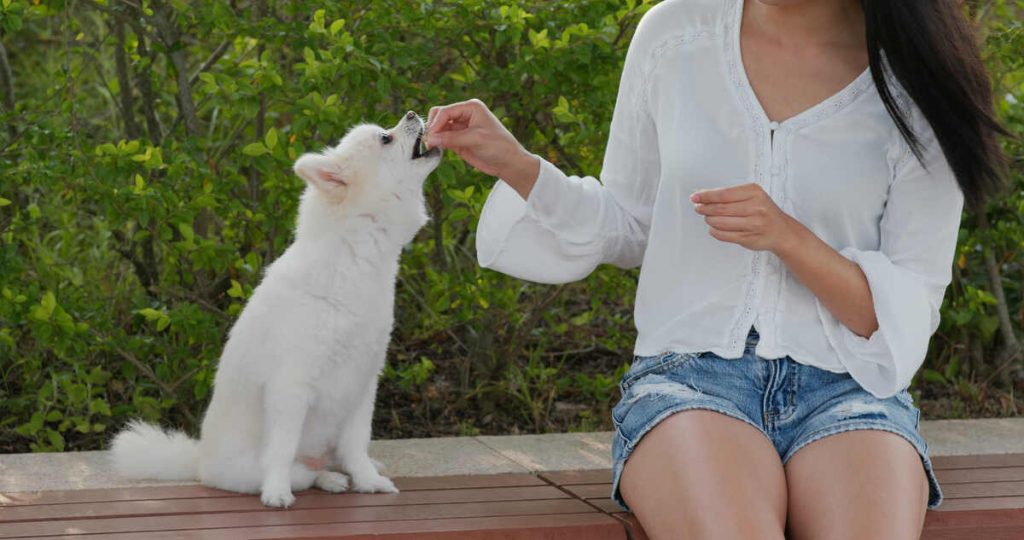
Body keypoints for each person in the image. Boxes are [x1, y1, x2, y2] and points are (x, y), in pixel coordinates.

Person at [425, 0, 1008, 538]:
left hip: (853, 390)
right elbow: (629, 223)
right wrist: (518, 165)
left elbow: (904, 313)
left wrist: (789, 238)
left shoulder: (920, 79)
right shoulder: (675, 35)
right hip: (691, 381)